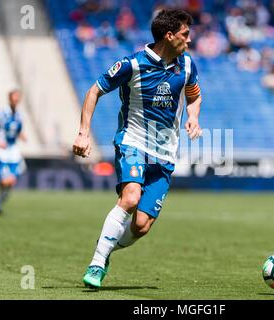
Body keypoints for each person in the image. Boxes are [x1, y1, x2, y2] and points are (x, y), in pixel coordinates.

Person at [72, 8, 203, 288]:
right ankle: (96, 263)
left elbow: (194, 95)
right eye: (185, 34)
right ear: (169, 35)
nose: (189, 40)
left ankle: (106, 246)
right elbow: (94, 90)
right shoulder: (133, 64)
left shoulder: (188, 65)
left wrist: (193, 116)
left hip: (166, 153)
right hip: (133, 141)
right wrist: (83, 133)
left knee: (142, 225)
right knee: (130, 199)